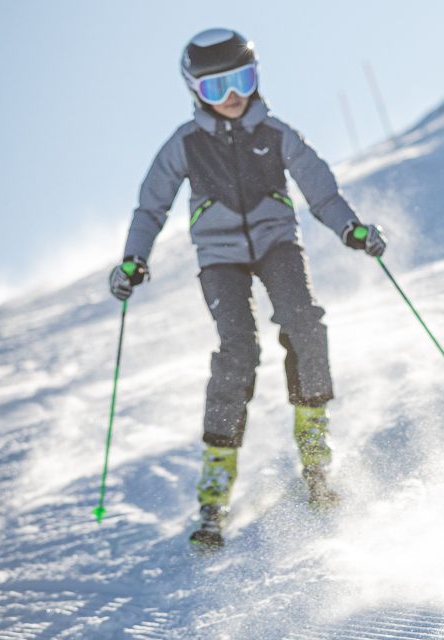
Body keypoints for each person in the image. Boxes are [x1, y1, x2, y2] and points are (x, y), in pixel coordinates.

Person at [107, 28, 388, 551]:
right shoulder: (185, 145)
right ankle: (216, 477)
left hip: (278, 243)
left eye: (241, 80)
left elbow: (321, 190)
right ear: (195, 92)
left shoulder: (278, 133)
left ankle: (312, 442)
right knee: (239, 350)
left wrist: (351, 228)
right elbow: (151, 206)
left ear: (256, 78)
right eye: (217, 88)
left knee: (304, 322)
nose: (232, 96)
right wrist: (133, 259)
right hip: (220, 259)